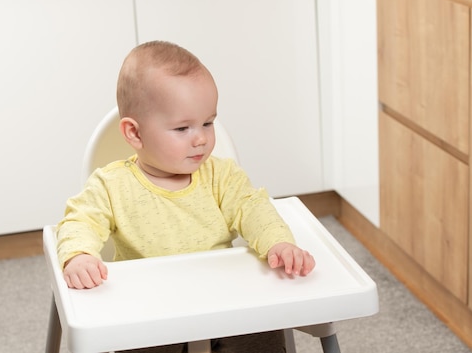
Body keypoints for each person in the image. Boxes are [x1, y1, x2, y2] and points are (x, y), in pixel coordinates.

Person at [56, 40, 316, 353]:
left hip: (222, 296)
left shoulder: (222, 176)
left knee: (260, 329)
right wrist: (79, 254)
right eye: (182, 129)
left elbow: (253, 209)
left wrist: (278, 242)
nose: (201, 138)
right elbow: (80, 220)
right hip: (150, 307)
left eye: (208, 122)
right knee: (137, 337)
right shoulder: (111, 185)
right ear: (134, 134)